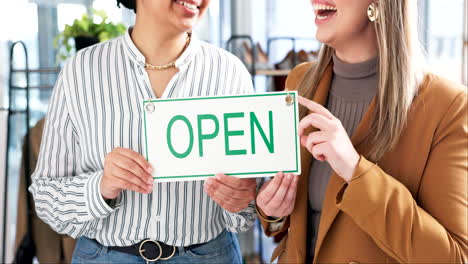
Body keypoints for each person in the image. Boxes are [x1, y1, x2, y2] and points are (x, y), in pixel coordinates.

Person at [29, 0, 258, 263]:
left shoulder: (230, 72)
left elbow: (248, 211)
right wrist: (100, 187)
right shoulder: (81, 70)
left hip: (209, 255)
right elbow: (47, 196)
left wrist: (241, 199)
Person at [255, 0, 468, 263]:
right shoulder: (300, 81)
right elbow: (287, 223)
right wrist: (273, 213)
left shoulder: (448, 106)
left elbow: (454, 257)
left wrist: (355, 171)